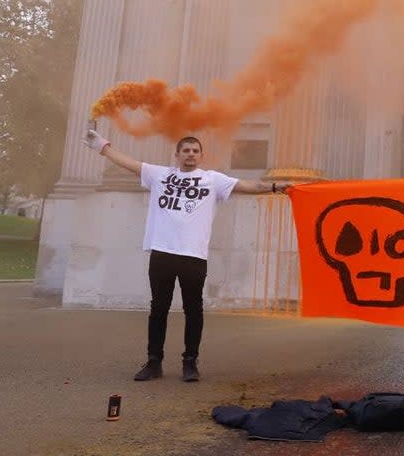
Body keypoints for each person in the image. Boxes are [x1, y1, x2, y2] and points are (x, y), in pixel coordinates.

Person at [84, 129, 281, 382]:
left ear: (201, 156)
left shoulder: (212, 179)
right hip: (162, 252)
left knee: (193, 310)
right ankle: (154, 363)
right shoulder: (159, 175)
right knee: (158, 309)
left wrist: (277, 187)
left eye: (195, 151)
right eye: (186, 150)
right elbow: (129, 163)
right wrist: (102, 146)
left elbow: (249, 185)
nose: (190, 154)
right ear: (177, 155)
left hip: (193, 256)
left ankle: (190, 362)